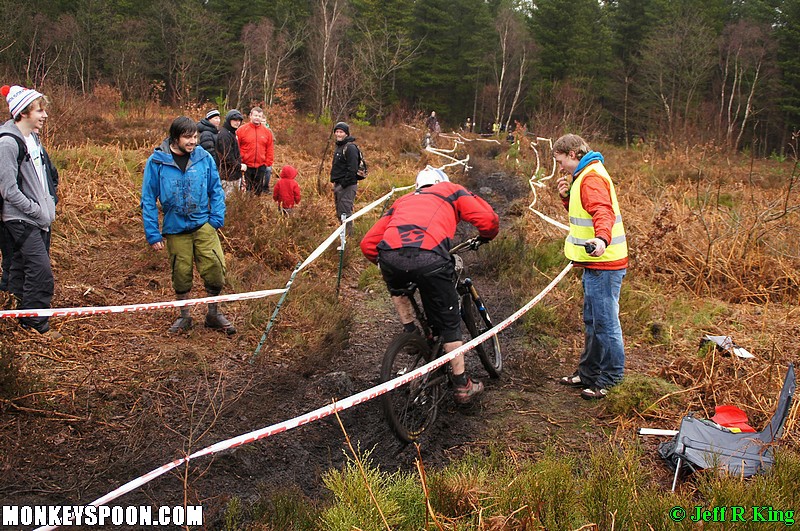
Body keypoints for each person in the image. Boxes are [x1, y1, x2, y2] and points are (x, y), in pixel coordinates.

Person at [360, 166, 499, 404]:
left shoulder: (403, 200)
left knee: (398, 286)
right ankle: (462, 385)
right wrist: (487, 235)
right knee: (449, 321)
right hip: (430, 258)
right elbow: (488, 219)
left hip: (390, 256)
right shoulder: (450, 190)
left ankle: (411, 332)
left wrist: (391, 264)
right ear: (441, 181)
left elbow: (368, 244)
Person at [141, 116, 236, 335]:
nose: (193, 141)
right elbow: (148, 198)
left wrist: (216, 219)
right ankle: (184, 316)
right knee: (181, 274)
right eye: (187, 137)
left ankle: (213, 314)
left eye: (195, 137)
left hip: (203, 224)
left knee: (215, 270)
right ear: (175, 138)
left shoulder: (204, 158)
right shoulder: (157, 162)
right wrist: (153, 234)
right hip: (175, 228)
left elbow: (216, 189)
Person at [553, 133, 628, 400]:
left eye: (560, 160)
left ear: (572, 154)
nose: (560, 167)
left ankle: (611, 379)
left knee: (605, 324)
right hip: (593, 263)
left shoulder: (591, 177)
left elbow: (603, 212)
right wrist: (566, 198)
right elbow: (583, 214)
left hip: (604, 264)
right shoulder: (582, 176)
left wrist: (602, 239)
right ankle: (588, 373)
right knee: (593, 322)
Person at [0, 84, 59, 337]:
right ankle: (36, 324)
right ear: (23, 113)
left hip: (39, 217)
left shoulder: (33, 139)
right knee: (41, 271)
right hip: (20, 219)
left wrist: (50, 201)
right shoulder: (7, 144)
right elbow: (8, 190)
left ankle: (15, 319)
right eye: (39, 110)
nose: (44, 115)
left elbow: (45, 177)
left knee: (19, 267)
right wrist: (36, 210)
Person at [330, 122, 360, 236]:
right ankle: (344, 234)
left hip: (348, 186)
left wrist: (343, 184)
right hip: (339, 184)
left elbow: (353, 169)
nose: (338, 134)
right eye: (337, 132)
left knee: (345, 213)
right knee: (340, 212)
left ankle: (348, 237)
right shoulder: (339, 146)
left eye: (341, 132)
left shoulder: (350, 148)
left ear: (346, 133)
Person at [236, 106, 274, 195]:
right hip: (246, 166)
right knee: (246, 191)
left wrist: (267, 163)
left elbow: (270, 148)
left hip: (260, 166)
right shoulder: (242, 130)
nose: (257, 118)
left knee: (258, 191)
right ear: (250, 116)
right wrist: (240, 161)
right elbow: (236, 147)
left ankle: (256, 202)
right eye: (255, 115)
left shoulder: (267, 132)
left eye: (259, 116)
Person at [216, 109, 246, 196]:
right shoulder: (224, 135)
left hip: (233, 174)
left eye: (239, 120)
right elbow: (227, 157)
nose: (237, 123)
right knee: (229, 200)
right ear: (229, 120)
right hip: (228, 177)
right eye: (235, 120)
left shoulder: (231, 133)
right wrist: (239, 166)